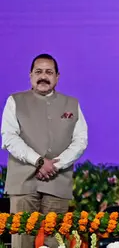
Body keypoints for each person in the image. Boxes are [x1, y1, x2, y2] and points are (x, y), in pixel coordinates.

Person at [1, 53, 89, 248]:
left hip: (57, 182)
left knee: (55, 241)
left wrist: (55, 165)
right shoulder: (15, 101)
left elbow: (80, 141)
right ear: (30, 75)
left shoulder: (72, 104)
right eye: (38, 72)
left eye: (49, 72)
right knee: (22, 239)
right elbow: (9, 138)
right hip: (23, 183)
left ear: (57, 76)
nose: (43, 76)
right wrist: (39, 161)